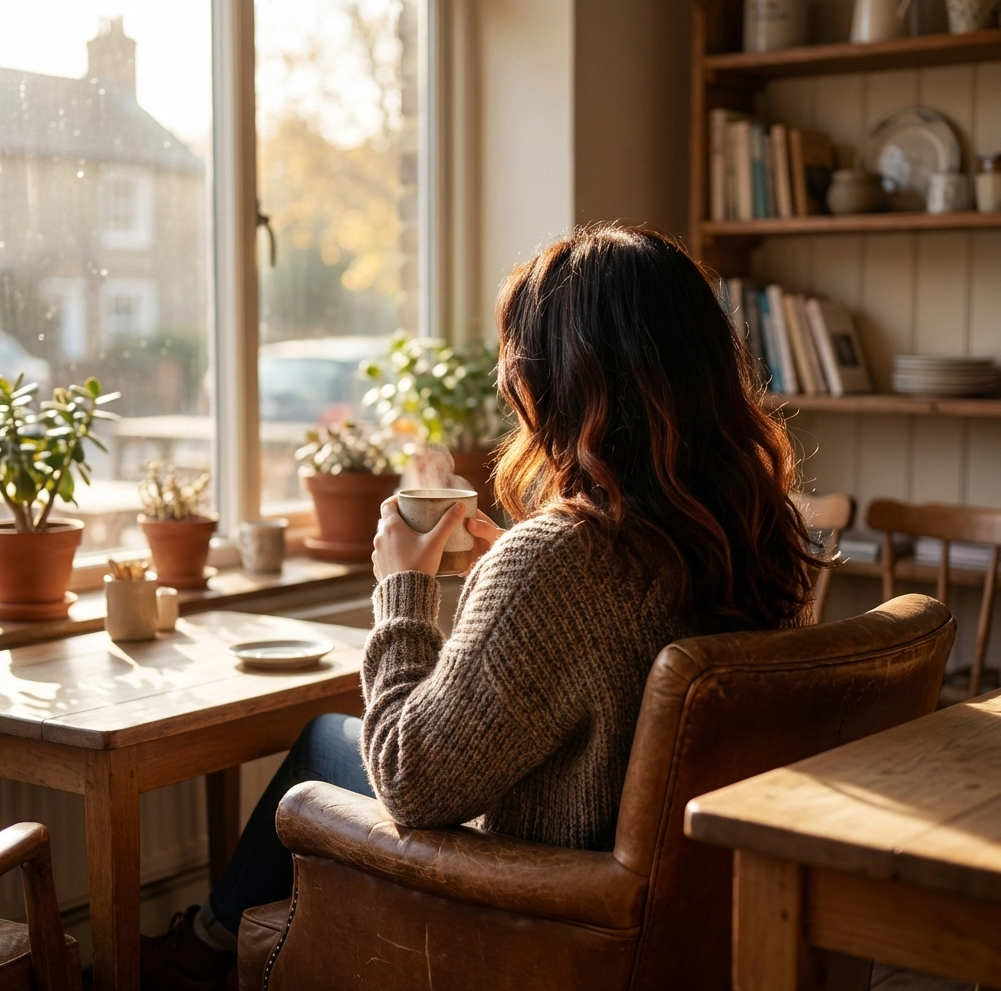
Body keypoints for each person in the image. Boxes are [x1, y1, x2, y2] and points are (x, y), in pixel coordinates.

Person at [141, 224, 820, 990]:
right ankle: (200, 947)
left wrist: (402, 589)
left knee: (320, 752)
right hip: (687, 917)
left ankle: (195, 955)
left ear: (559, 383)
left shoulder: (560, 560)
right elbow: (598, 658)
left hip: (541, 914)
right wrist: (509, 574)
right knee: (330, 736)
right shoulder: (751, 528)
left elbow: (411, 781)